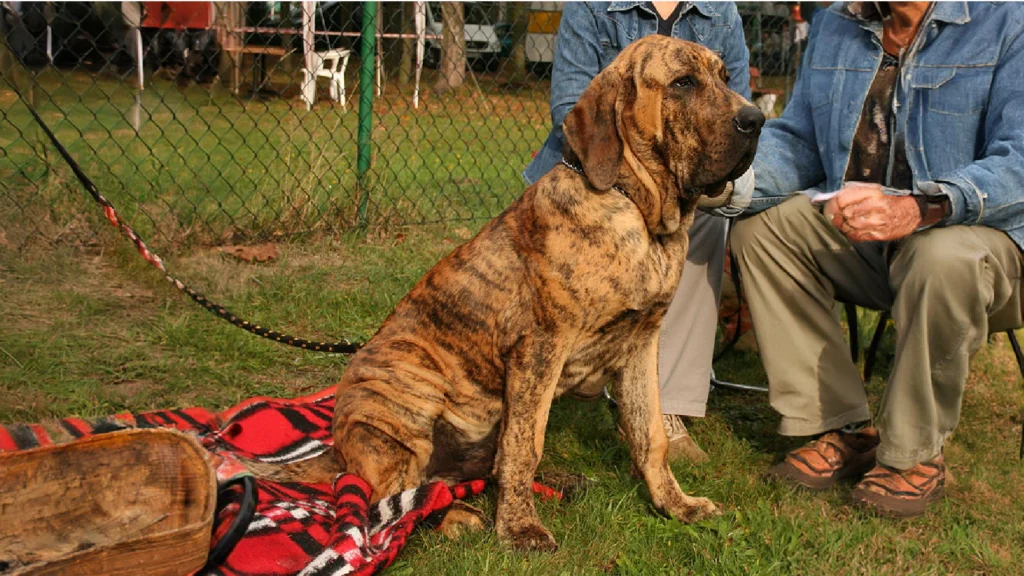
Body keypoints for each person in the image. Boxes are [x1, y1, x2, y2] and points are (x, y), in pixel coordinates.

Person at [726, 1, 1024, 517]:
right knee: (763, 231)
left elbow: (1019, 159)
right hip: (876, 246)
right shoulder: (837, 21)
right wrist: (723, 180)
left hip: (987, 248)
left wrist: (922, 206)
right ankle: (840, 424)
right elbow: (799, 141)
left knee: (940, 253)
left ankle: (913, 453)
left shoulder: (1007, 20)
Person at [522, 1, 754, 462]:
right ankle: (587, 359)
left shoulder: (721, 13)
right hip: (595, 167)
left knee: (700, 220)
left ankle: (668, 401)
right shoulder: (591, 6)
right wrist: (645, 177)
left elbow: (736, 107)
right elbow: (571, 104)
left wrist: (677, 181)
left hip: (682, 172)